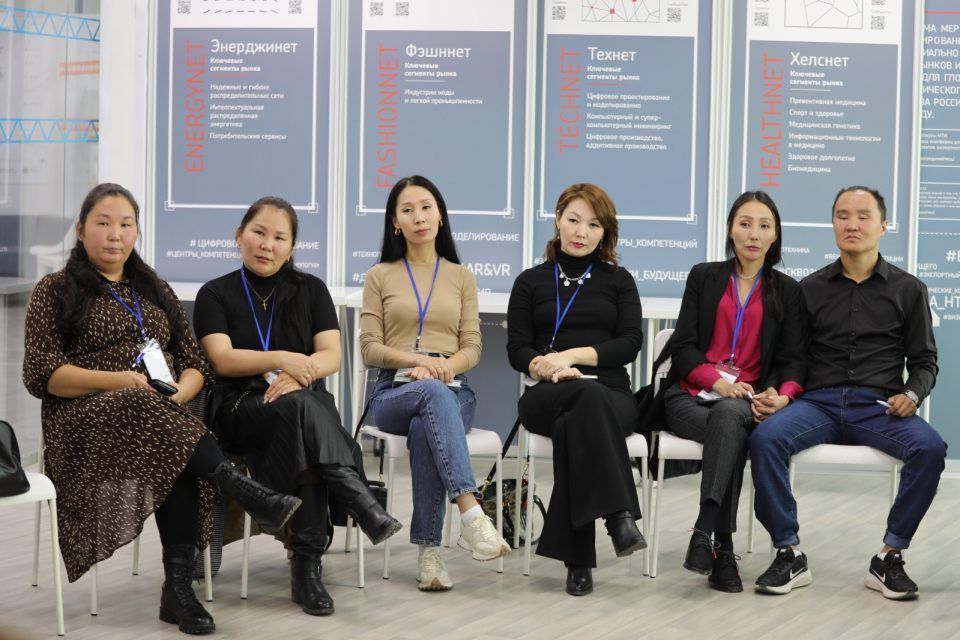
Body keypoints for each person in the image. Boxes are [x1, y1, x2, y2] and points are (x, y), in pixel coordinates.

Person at [22, 183, 302, 635]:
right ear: (81, 229)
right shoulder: (53, 290)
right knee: (161, 424)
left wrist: (177, 395)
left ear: (137, 231)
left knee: (172, 441)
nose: (115, 234)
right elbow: (42, 374)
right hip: (84, 421)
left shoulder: (153, 288)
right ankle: (241, 494)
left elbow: (196, 364)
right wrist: (119, 381)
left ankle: (178, 589)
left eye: (126, 224)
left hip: (158, 414)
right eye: (104, 223)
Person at [194, 196, 402, 616]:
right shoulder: (215, 293)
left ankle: (309, 564)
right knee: (306, 412)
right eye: (258, 233)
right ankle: (345, 515)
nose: (266, 244)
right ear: (239, 235)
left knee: (302, 415)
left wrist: (301, 374)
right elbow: (223, 359)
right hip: (241, 407)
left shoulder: (311, 290)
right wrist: (281, 360)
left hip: (299, 405)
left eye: (279, 237)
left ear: (291, 247)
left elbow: (331, 355)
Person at [750, 186, 946, 600]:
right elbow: (793, 358)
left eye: (862, 216)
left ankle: (889, 557)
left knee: (930, 448)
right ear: (833, 223)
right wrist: (782, 393)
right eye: (842, 215)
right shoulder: (809, 289)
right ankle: (789, 553)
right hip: (816, 404)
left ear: (883, 225)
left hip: (878, 407)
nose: (851, 224)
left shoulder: (909, 289)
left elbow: (925, 362)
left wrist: (912, 394)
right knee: (765, 438)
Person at [360, 175, 510, 591]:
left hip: (453, 388)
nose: (419, 217)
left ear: (440, 215)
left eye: (426, 207)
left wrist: (442, 368)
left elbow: (472, 347)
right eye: (407, 210)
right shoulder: (379, 275)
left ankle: (429, 553)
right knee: (427, 393)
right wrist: (418, 361)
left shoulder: (461, 276)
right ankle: (471, 514)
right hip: (393, 390)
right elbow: (370, 348)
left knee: (426, 420)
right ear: (395, 222)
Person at [506, 183, 645, 596]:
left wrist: (572, 356)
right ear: (557, 220)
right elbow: (517, 347)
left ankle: (578, 559)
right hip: (547, 393)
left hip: (611, 393)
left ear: (605, 232)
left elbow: (630, 343)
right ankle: (619, 515)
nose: (581, 232)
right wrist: (544, 366)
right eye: (573, 220)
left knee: (579, 418)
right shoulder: (530, 281)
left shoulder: (619, 281)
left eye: (593, 224)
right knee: (584, 402)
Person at [662, 191, 804, 592]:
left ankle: (705, 534)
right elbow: (683, 347)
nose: (753, 234)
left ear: (775, 235)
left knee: (730, 418)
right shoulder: (704, 277)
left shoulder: (787, 291)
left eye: (764, 226)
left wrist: (780, 394)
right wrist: (718, 382)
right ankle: (720, 547)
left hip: (745, 401)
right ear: (730, 229)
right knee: (731, 431)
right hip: (690, 396)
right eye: (745, 224)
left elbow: (794, 360)